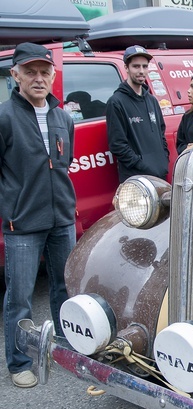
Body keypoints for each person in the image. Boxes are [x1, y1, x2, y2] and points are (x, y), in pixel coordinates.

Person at [0, 43, 77, 388]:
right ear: (14, 74)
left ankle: (66, 348)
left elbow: (63, 166)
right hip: (23, 224)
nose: (38, 78)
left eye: (44, 72)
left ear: (53, 76)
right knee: (20, 296)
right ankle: (19, 363)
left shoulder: (62, 118)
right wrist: (11, 209)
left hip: (62, 219)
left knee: (65, 287)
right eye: (29, 72)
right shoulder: (4, 117)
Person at [106, 45, 169, 183]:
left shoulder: (152, 100)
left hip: (160, 175)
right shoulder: (116, 102)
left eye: (144, 66)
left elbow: (161, 135)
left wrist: (163, 161)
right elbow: (117, 145)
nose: (141, 71)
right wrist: (143, 166)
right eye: (136, 66)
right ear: (126, 68)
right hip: (137, 180)